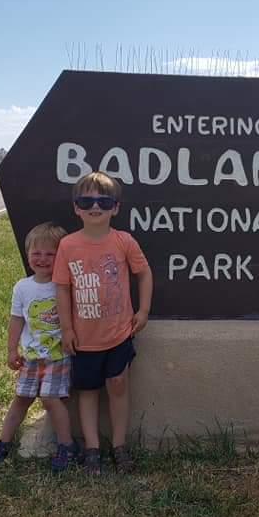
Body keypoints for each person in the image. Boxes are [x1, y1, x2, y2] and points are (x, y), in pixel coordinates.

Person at [53, 171, 153, 474]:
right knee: (87, 391)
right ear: (76, 207)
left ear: (115, 207)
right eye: (86, 201)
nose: (95, 207)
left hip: (119, 333)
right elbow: (62, 287)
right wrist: (67, 328)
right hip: (83, 339)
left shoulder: (124, 241)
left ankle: (119, 445)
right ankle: (93, 447)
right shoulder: (68, 246)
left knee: (118, 384)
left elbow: (144, 273)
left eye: (103, 201)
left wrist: (144, 311)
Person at [0, 221, 79, 472]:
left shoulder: (65, 286)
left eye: (50, 254)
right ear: (28, 255)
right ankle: (3, 442)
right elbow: (17, 320)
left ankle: (66, 445)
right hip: (30, 357)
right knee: (21, 398)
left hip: (57, 355)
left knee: (50, 399)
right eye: (37, 253)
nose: (43, 259)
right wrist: (11, 350)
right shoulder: (22, 287)